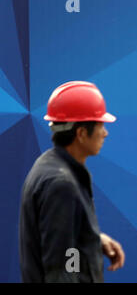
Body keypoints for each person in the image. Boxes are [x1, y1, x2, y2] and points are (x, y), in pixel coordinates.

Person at [19, 81, 125, 282]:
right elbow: (65, 266)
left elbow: (63, 240)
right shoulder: (61, 184)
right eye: (100, 125)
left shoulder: (50, 167)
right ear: (82, 133)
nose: (105, 132)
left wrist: (93, 240)